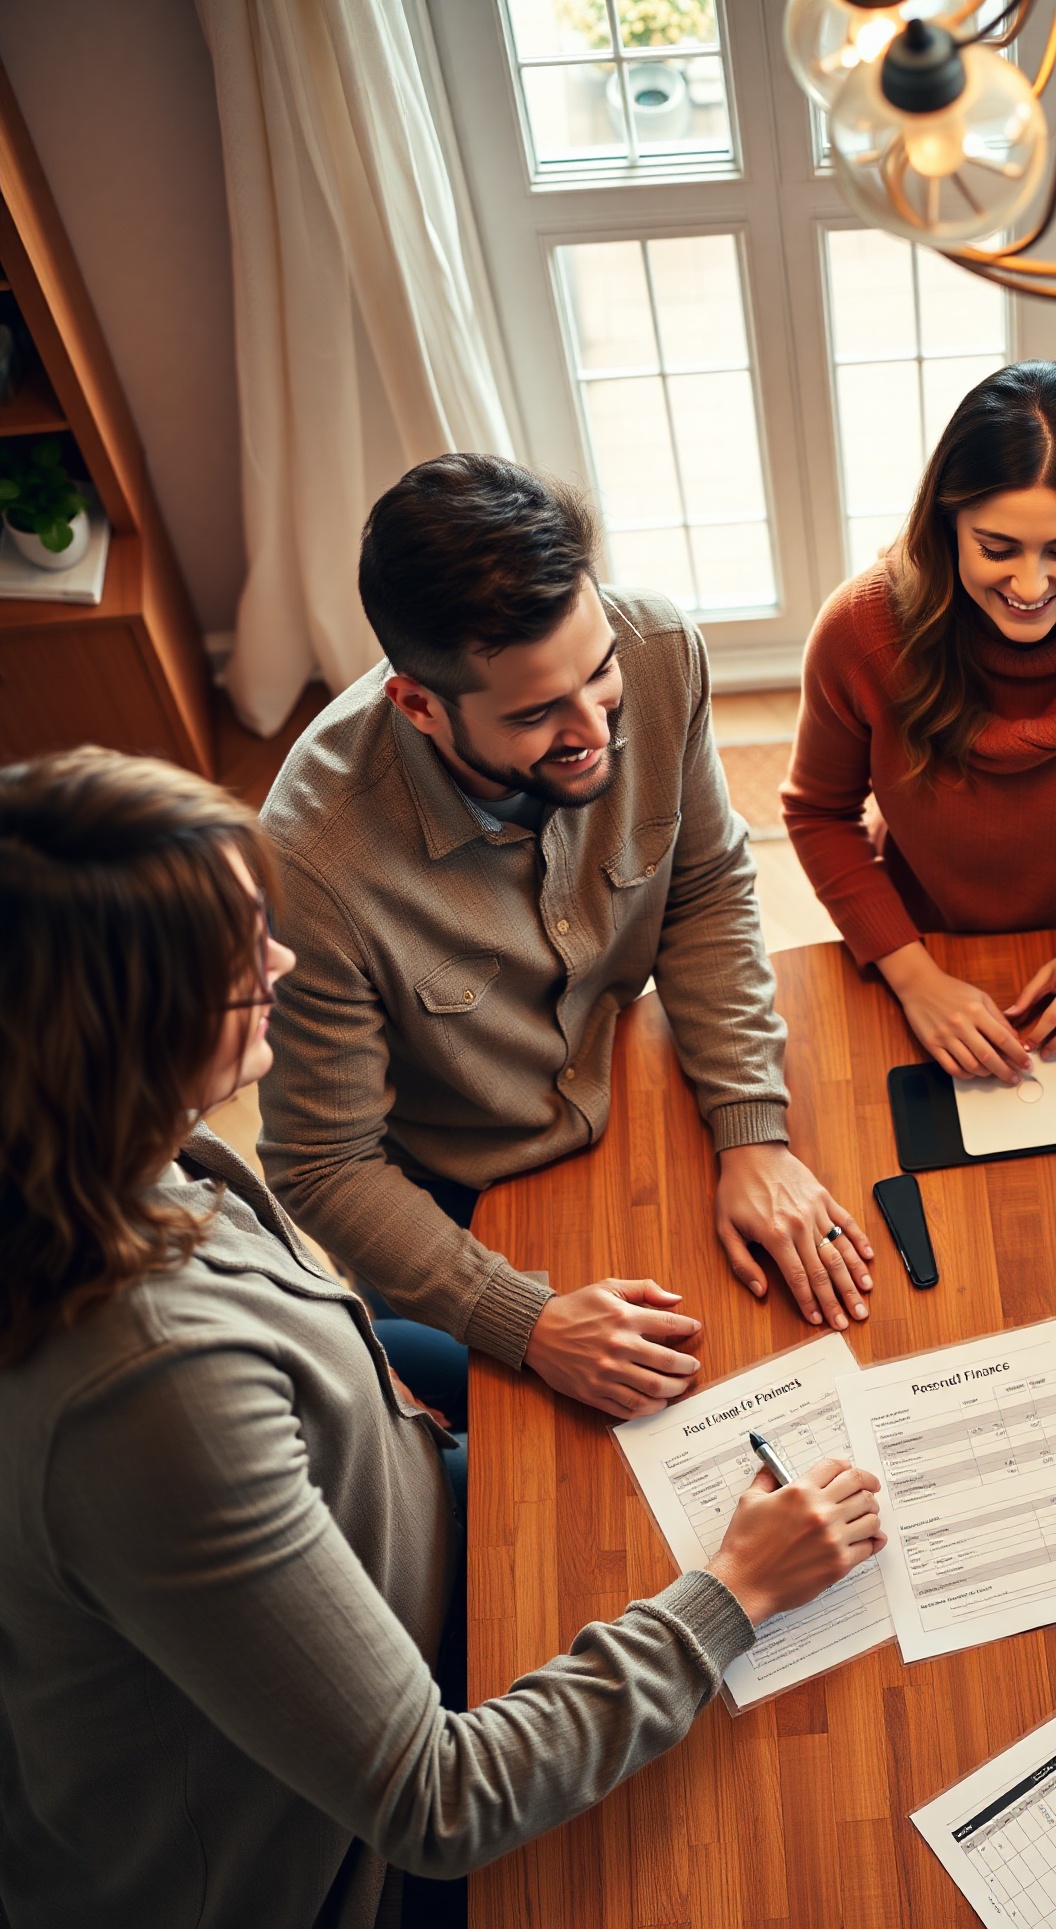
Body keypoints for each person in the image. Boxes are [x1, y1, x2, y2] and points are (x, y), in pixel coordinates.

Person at [0, 748, 886, 1929]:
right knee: (764, 1870)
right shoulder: (152, 1401)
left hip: (385, 1587)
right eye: (243, 963)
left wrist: (519, 1333)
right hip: (320, 1905)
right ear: (126, 1036)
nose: (283, 968)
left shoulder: (128, 1156)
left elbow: (321, 1347)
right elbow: (438, 1801)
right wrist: (734, 1596)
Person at [259, 454, 875, 1427]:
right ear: (418, 704)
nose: (595, 727)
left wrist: (751, 1127)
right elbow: (321, 1163)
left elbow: (706, 887)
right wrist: (528, 1322)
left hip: (639, 1094)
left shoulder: (661, 649)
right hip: (460, 1200)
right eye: (538, 713)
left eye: (598, 673)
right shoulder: (309, 858)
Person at [781, 359, 1056, 1083]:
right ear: (945, 524)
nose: (1029, 585)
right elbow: (817, 813)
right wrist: (914, 976)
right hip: (914, 942)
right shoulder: (859, 629)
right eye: (996, 548)